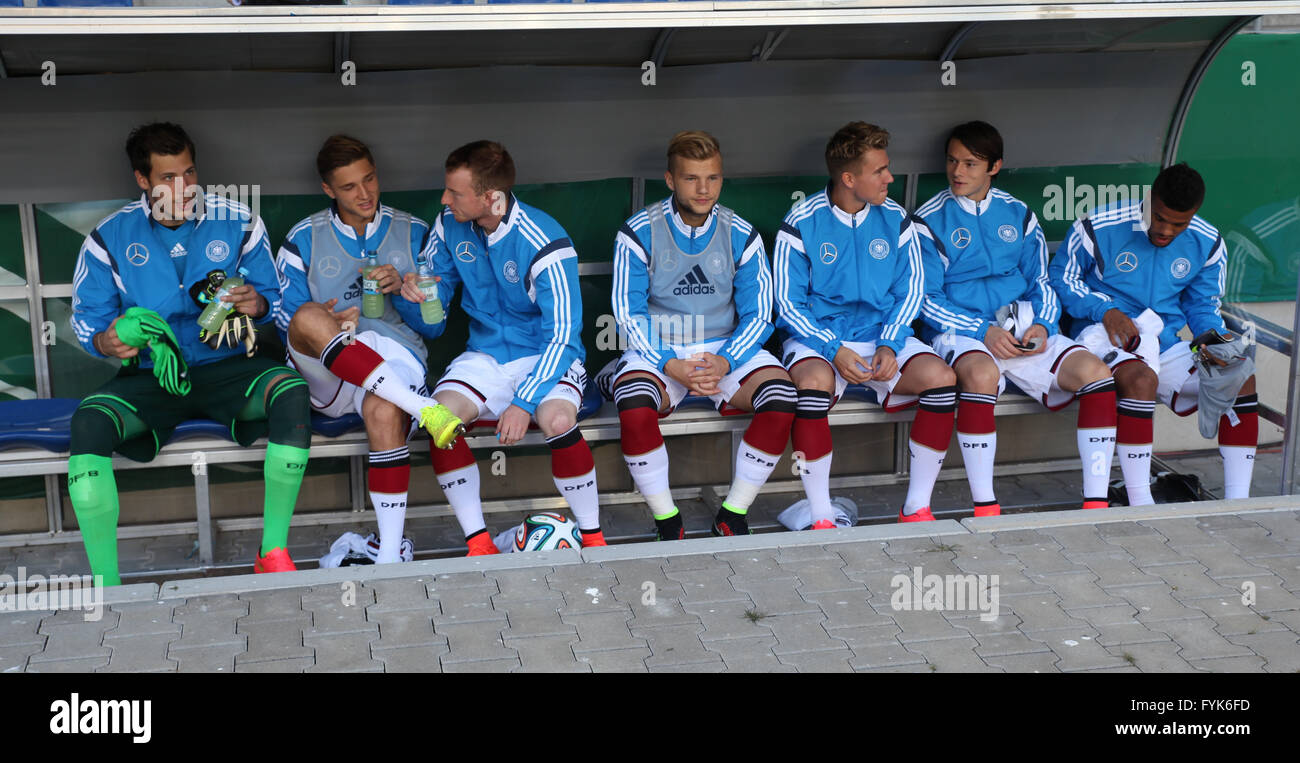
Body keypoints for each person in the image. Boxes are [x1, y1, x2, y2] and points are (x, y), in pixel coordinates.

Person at [68, 122, 311, 584]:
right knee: (89, 422)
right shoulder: (109, 237)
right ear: (142, 181)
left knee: (292, 392)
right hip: (150, 375)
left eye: (189, 173)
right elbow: (88, 322)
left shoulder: (238, 220)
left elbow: (276, 303)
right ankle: (107, 582)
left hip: (231, 367)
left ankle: (273, 550)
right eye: (166, 178)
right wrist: (107, 340)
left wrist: (256, 304)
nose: (183, 189)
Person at [401, 140, 605, 554]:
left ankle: (593, 536)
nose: (445, 199)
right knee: (438, 422)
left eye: (455, 193)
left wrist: (524, 402)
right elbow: (435, 327)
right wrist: (415, 298)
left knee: (559, 422)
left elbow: (564, 336)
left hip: (545, 356)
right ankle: (479, 542)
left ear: (490, 197)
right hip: (486, 356)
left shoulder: (545, 239)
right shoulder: (448, 223)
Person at [274, 134, 463, 565]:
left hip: (394, 356)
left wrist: (407, 292)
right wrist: (330, 320)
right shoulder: (304, 237)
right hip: (330, 368)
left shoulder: (415, 230)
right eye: (349, 187)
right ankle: (421, 406)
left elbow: (434, 327)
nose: (364, 193)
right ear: (328, 190)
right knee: (306, 316)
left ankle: (390, 555)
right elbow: (285, 322)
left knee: (382, 409)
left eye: (370, 179)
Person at [598, 130, 796, 540]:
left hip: (724, 348)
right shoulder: (639, 230)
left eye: (713, 178)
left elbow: (760, 315)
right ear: (670, 180)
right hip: (662, 350)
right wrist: (671, 363)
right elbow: (627, 313)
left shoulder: (741, 232)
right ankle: (668, 521)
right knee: (634, 406)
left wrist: (726, 361)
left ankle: (734, 512)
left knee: (780, 398)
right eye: (691, 178)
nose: (704, 189)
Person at [912, 121, 1118, 514]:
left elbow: (1041, 278)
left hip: (1022, 324)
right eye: (953, 161)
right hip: (963, 330)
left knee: (1097, 375)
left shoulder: (1018, 213)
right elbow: (925, 298)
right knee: (981, 375)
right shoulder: (929, 219)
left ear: (994, 167)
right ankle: (985, 506)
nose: (958, 172)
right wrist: (981, 330)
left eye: (971, 164)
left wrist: (1042, 323)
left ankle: (1096, 501)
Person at [775, 121, 957, 524]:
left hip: (881, 337)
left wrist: (891, 343)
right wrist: (832, 349)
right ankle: (822, 514)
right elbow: (788, 304)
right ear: (848, 178)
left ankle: (917, 507)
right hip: (820, 340)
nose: (889, 178)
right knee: (813, 385)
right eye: (879, 171)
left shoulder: (895, 218)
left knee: (941, 378)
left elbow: (911, 291)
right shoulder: (803, 219)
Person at [1050, 163, 1257, 503]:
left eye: (1179, 223)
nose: (1165, 230)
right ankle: (1140, 502)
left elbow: (1203, 304)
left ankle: (1237, 503)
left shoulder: (1206, 241)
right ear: (1149, 199)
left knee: (1239, 376)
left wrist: (1212, 341)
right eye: (1159, 217)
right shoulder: (1100, 225)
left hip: (1163, 344)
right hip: (1101, 339)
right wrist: (1106, 311)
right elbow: (1061, 278)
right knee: (1142, 379)